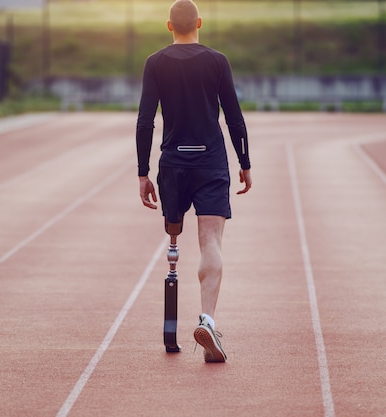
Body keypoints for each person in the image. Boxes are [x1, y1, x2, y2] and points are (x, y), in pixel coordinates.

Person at [136, 0, 251, 363]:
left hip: (173, 163)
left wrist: (143, 171)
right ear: (199, 22)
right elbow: (233, 116)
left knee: (174, 237)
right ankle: (207, 319)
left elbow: (145, 121)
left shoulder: (155, 63)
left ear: (169, 26)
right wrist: (245, 162)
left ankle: (172, 259)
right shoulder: (217, 61)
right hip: (211, 161)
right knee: (211, 241)